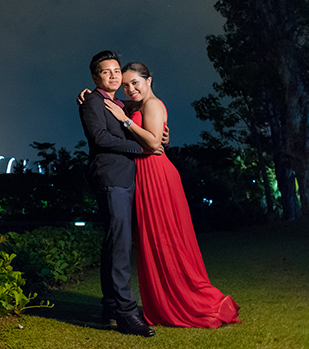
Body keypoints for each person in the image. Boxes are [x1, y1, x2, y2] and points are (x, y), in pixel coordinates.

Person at [103, 61, 241, 328]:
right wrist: (91, 94)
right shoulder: (135, 105)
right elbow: (116, 103)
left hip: (156, 175)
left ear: (149, 80)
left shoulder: (152, 104)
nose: (130, 89)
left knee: (166, 239)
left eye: (136, 83)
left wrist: (125, 122)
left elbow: (154, 142)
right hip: (143, 175)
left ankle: (187, 300)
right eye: (126, 85)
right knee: (152, 241)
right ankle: (163, 301)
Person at [78, 50, 159, 337]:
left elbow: (140, 114)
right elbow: (100, 138)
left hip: (125, 178)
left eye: (116, 71)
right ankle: (126, 314)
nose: (113, 75)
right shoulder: (92, 101)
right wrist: (140, 149)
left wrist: (161, 132)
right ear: (95, 76)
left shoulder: (118, 103)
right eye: (106, 71)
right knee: (121, 245)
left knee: (114, 242)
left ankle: (111, 306)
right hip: (110, 177)